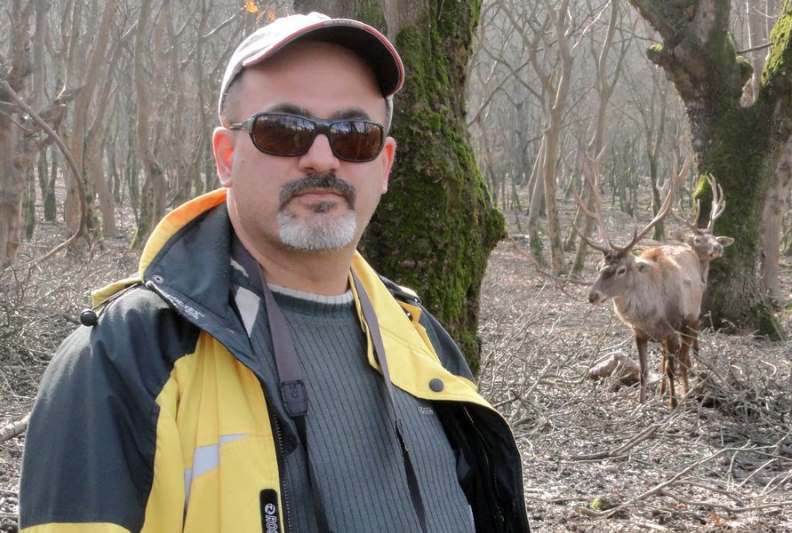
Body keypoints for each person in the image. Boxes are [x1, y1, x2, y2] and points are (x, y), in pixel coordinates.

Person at [19, 12, 528, 533]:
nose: (322, 158)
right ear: (226, 156)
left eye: (355, 135)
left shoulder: (422, 342)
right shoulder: (126, 356)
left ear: (385, 165)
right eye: (284, 131)